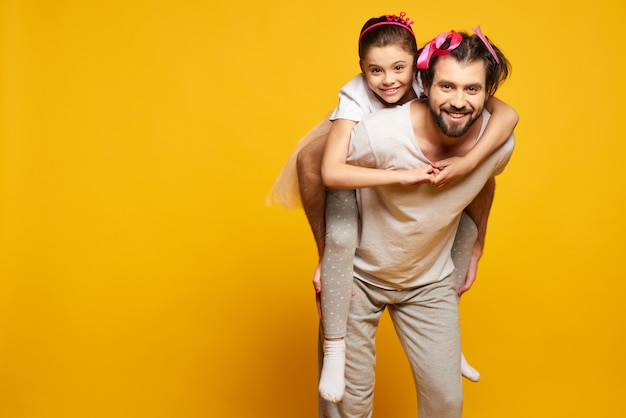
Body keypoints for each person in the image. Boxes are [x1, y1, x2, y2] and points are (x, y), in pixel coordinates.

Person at [266, 14, 518, 402]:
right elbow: (320, 168)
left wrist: (469, 167)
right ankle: (336, 345)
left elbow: (504, 126)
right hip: (356, 208)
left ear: (416, 68)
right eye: (376, 70)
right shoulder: (362, 113)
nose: (389, 80)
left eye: (399, 68)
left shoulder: (464, 112)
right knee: (342, 239)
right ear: (429, 81)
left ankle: (449, 352)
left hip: (425, 276)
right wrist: (328, 258)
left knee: (464, 234)